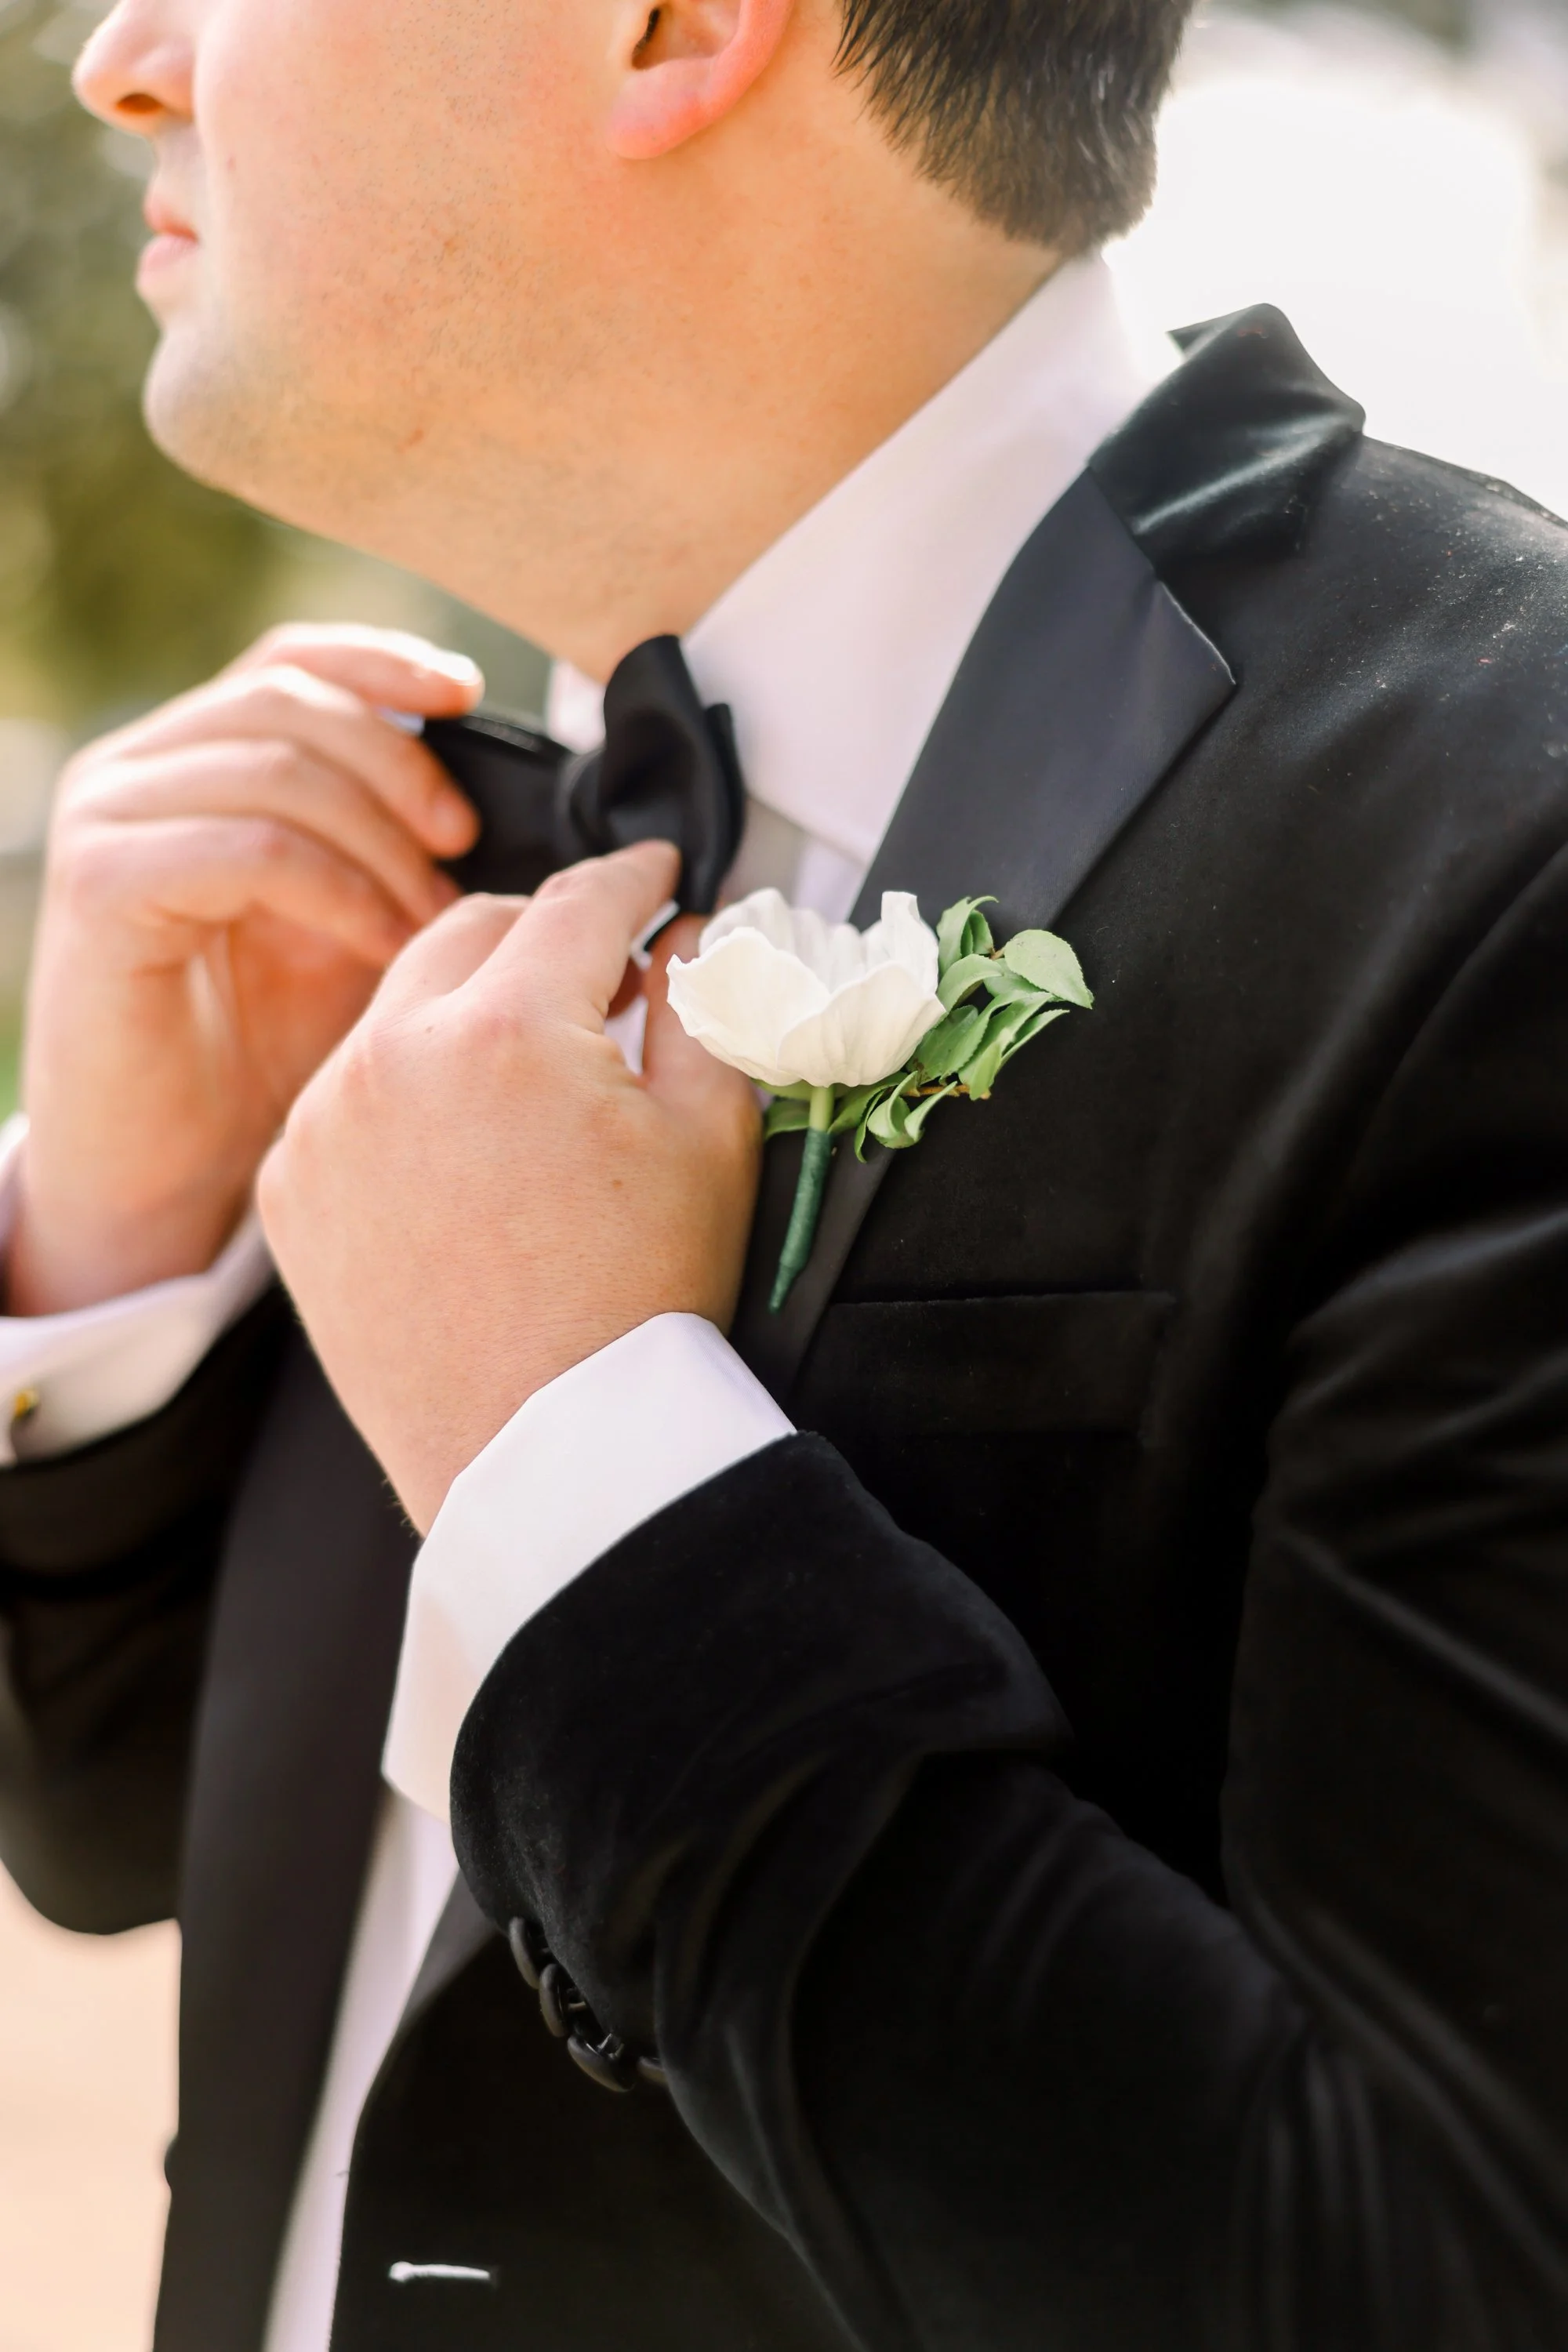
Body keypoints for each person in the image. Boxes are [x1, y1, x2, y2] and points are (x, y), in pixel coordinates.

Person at [2, 0, 1566, 2340]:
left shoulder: (1496, 846)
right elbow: (135, 1827)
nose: (119, 59)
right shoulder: (441, 860)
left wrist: (595, 1478)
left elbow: (1411, 2277)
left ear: (671, 27)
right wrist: (111, 1254)